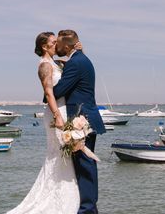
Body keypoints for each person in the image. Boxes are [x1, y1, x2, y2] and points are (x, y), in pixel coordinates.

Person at [6, 32, 80, 214]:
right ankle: (57, 199)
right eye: (55, 42)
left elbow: (72, 65)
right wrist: (57, 115)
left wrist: (78, 49)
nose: (58, 44)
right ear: (45, 47)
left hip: (63, 110)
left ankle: (65, 193)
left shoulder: (56, 63)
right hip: (56, 113)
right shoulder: (45, 66)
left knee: (63, 155)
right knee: (58, 154)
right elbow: (48, 92)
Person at [53, 30, 106, 214]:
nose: (57, 48)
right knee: (86, 163)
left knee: (85, 165)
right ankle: (90, 207)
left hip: (81, 120)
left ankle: (88, 209)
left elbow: (59, 90)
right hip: (85, 117)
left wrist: (47, 93)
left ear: (66, 46)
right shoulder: (80, 60)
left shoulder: (75, 64)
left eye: (58, 45)